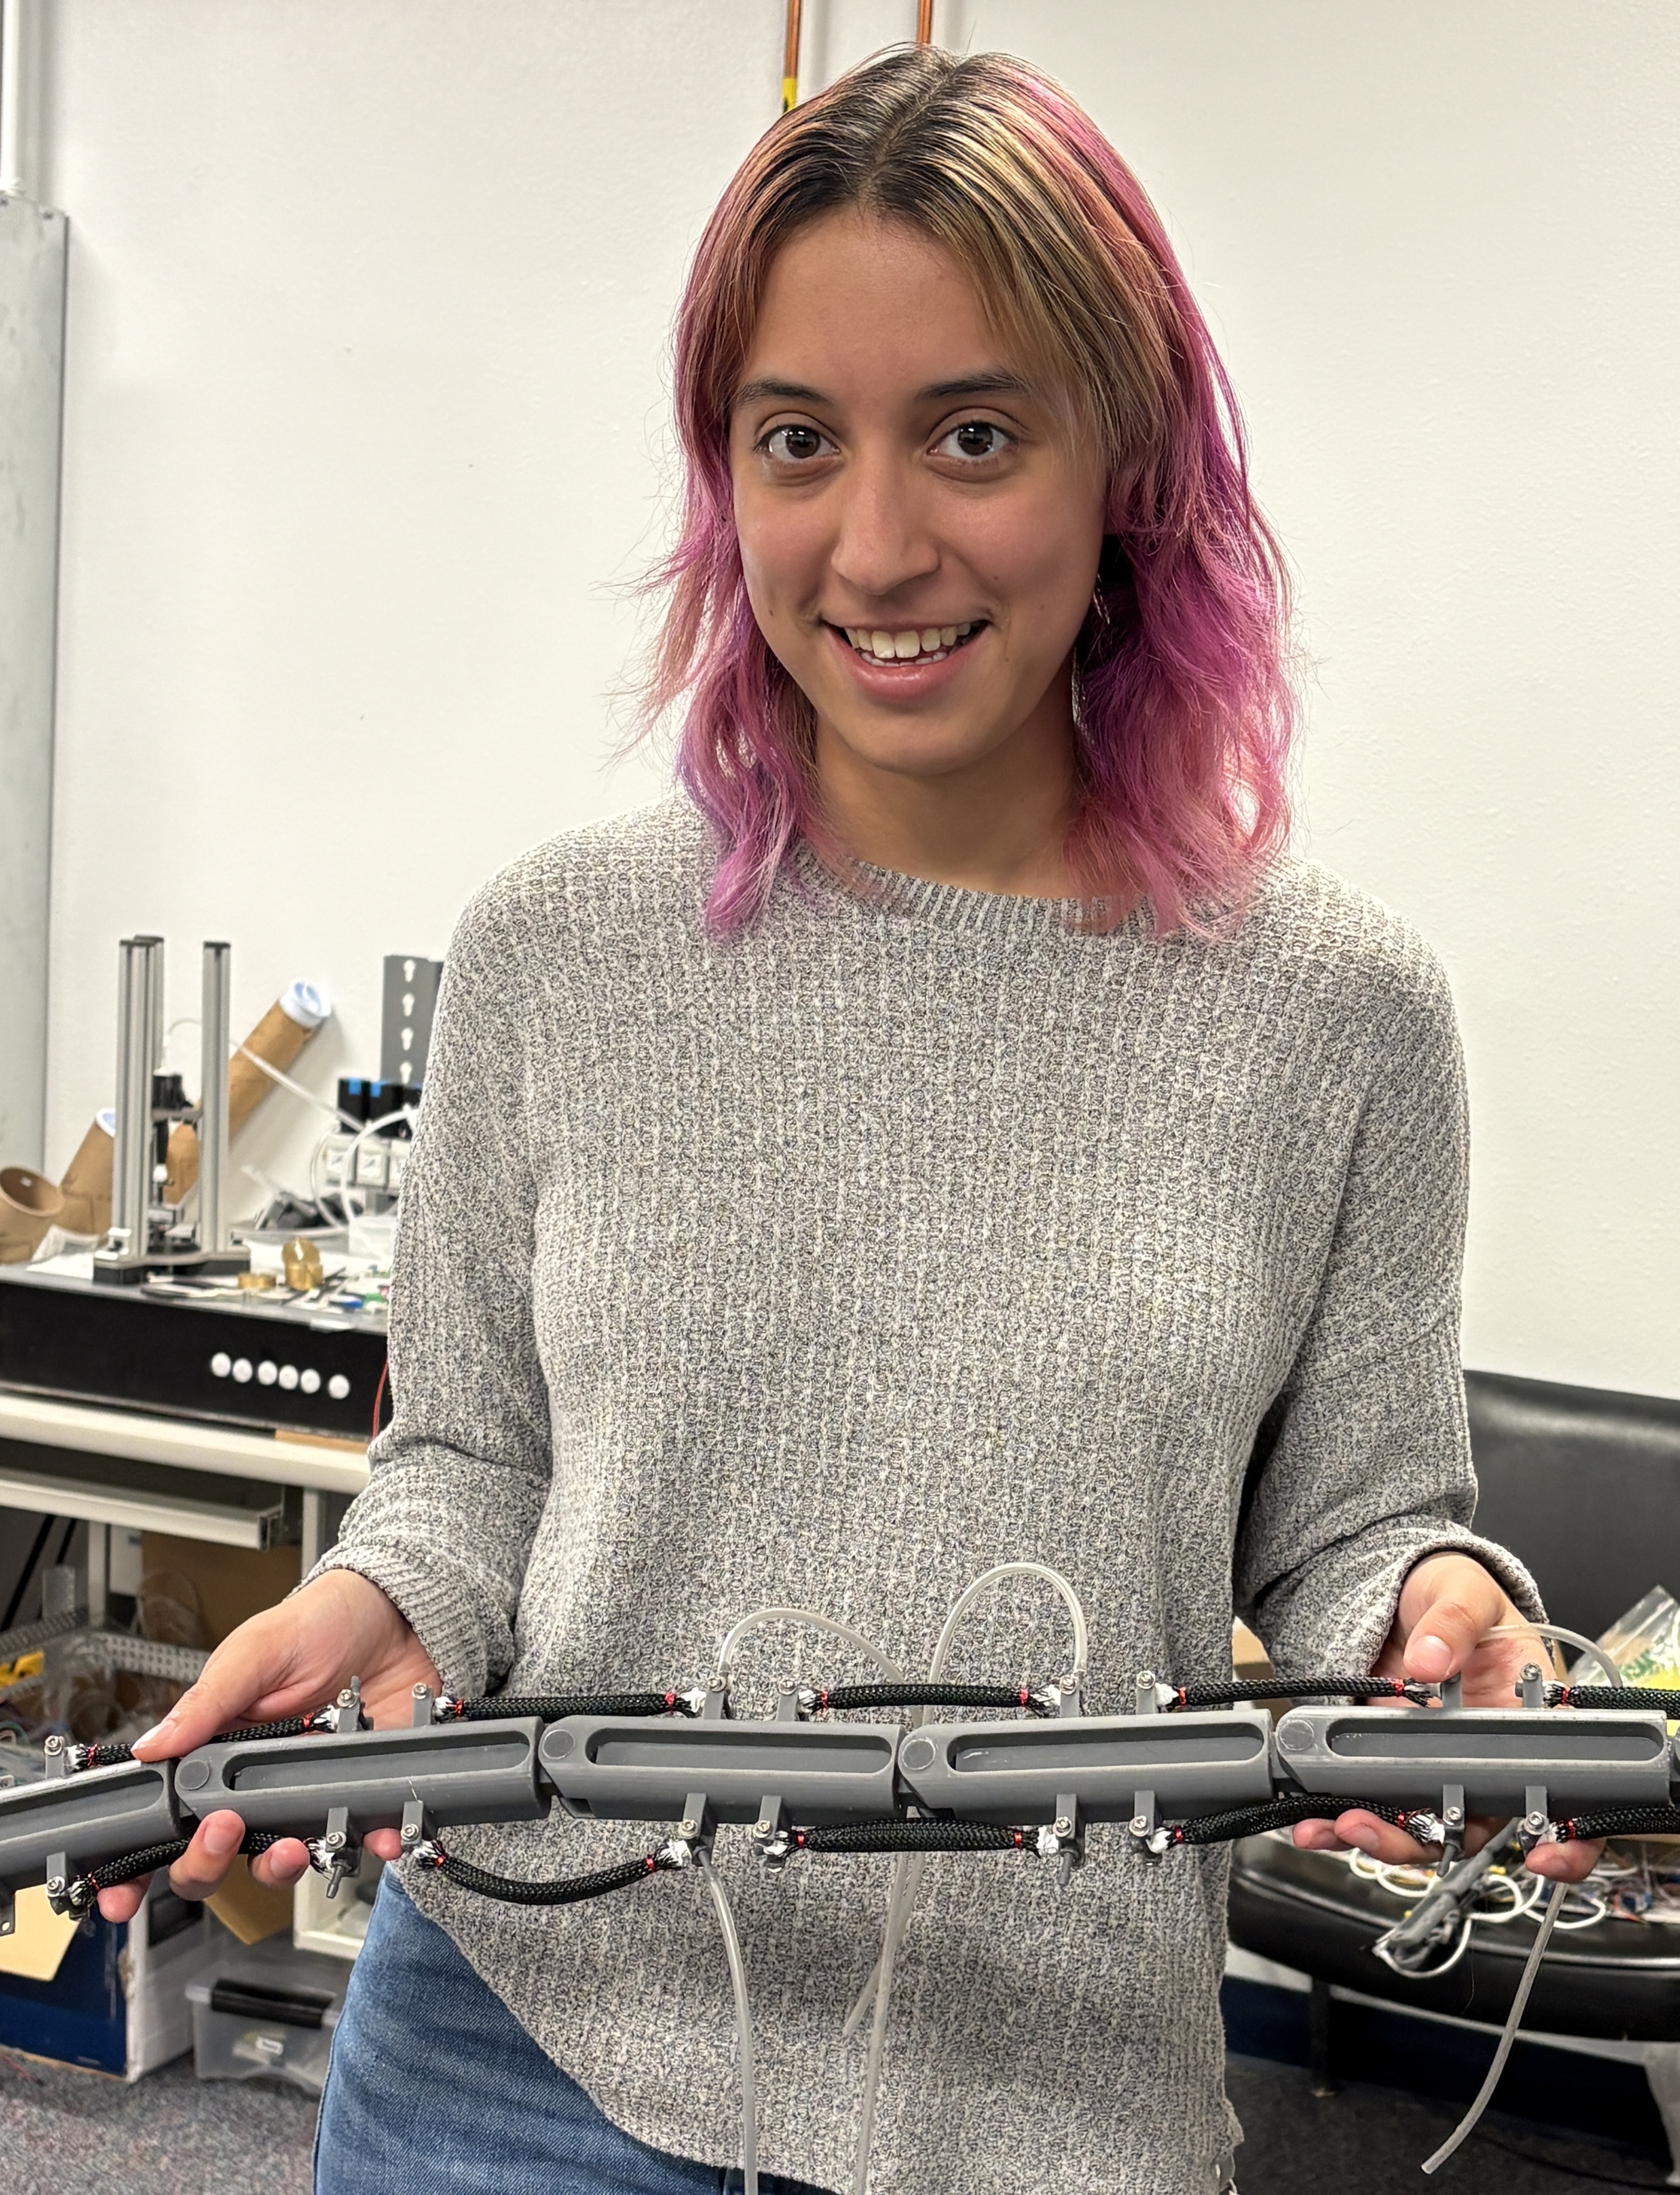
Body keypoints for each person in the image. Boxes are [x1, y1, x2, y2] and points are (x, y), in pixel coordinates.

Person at [97, 45, 1598, 2195]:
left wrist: (1435, 1608)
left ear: (1125, 468)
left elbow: (1352, 1522)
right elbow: (470, 1462)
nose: (874, 545)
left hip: (1053, 2100)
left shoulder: (1332, 1015)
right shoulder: (559, 950)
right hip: (520, 2059)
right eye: (796, 440)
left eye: (972, 434)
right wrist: (389, 1591)